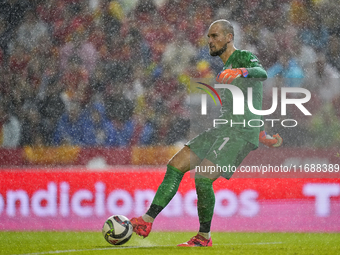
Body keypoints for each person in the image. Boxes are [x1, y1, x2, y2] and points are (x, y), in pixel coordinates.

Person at [130, 19, 282, 247]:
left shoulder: (242, 57)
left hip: (238, 132)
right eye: (209, 37)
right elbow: (246, 103)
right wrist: (261, 132)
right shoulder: (222, 68)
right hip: (224, 128)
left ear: (229, 37)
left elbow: (261, 73)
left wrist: (241, 71)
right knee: (176, 164)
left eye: (215, 36)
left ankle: (203, 237)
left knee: (202, 177)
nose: (209, 41)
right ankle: (147, 220)